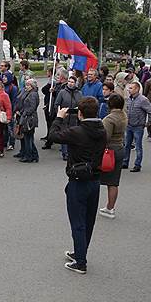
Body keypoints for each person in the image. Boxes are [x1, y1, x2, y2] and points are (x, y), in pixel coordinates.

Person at [48, 96, 107, 275]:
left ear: (80, 113)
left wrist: (59, 117)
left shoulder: (78, 131)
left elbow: (52, 136)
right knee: (88, 221)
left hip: (78, 180)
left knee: (77, 222)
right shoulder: (102, 130)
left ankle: (81, 262)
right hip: (95, 179)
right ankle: (80, 252)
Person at [99, 93, 127, 219]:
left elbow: (105, 138)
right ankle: (110, 207)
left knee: (99, 179)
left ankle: (106, 208)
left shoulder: (109, 119)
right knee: (114, 181)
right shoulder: (123, 115)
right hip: (120, 147)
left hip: (110, 150)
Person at [121, 81, 151, 172]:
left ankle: (137, 164)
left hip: (138, 127)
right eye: (129, 88)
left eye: (131, 88)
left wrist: (149, 122)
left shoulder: (143, 100)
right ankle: (125, 162)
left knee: (138, 146)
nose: (129, 90)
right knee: (127, 145)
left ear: (137, 89)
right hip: (129, 125)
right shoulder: (129, 99)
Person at [54, 75, 83, 161]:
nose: (70, 83)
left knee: (73, 136)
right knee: (65, 135)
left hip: (74, 118)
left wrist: (78, 110)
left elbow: (81, 104)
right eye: (69, 81)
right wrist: (59, 113)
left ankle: (71, 152)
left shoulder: (79, 93)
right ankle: (65, 153)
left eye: (72, 82)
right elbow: (57, 104)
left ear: (75, 84)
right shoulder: (62, 92)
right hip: (64, 118)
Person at [14, 78, 40, 163]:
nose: (26, 86)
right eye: (26, 84)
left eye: (28, 85)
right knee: (26, 137)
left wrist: (22, 113)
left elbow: (31, 108)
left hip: (29, 119)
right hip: (24, 117)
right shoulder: (27, 92)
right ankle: (31, 154)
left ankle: (29, 156)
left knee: (28, 138)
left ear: (32, 86)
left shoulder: (33, 94)